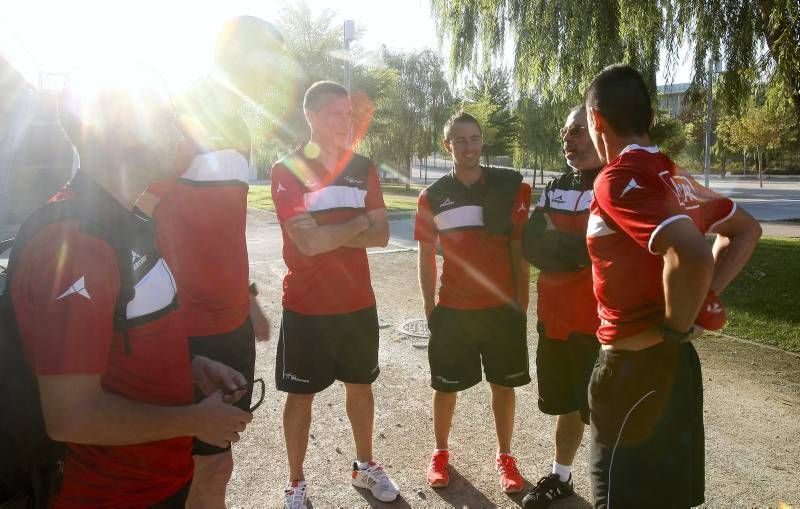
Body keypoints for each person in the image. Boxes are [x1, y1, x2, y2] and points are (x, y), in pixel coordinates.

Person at [6, 66, 253, 508]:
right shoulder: (76, 246)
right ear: (123, 131)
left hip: (157, 482)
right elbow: (71, 416)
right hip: (112, 494)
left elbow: (123, 340)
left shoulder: (128, 223)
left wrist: (192, 365)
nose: (178, 133)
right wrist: (194, 420)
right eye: (164, 118)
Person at [583, 64, 761, 508]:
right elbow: (746, 231)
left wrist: (679, 325)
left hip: (632, 370)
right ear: (647, 119)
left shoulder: (617, 177)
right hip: (678, 370)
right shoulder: (675, 176)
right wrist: (702, 302)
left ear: (597, 121)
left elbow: (691, 253)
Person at [137, 16, 285, 507]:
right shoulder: (183, 114)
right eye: (268, 59)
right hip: (186, 325)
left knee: (217, 461)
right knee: (194, 465)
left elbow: (222, 230)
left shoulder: (238, 126)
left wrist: (250, 301)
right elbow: (136, 211)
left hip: (231, 323)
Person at [270, 81, 399, 509]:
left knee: (361, 386)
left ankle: (364, 466)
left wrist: (333, 233)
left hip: (357, 303)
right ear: (311, 116)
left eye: (349, 115)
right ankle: (295, 484)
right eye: (335, 115)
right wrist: (357, 223)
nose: (346, 123)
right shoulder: (287, 169)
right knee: (300, 395)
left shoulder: (363, 166)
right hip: (306, 306)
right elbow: (307, 244)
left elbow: (382, 235)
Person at [415, 111, 532, 494]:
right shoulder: (431, 196)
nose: (469, 146)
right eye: (460, 140)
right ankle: (440, 452)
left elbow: (519, 246)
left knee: (503, 385)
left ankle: (505, 457)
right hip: (454, 309)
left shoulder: (509, 185)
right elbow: (426, 256)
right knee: (445, 388)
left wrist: (522, 298)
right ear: (447, 146)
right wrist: (430, 308)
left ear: (483, 142)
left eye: (475, 138)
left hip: (500, 310)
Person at [520, 105, 602, 508]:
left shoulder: (614, 185)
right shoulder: (554, 187)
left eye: (579, 132)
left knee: (607, 412)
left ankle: (617, 487)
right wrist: (571, 251)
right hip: (556, 318)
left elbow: (600, 250)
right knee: (567, 404)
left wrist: (563, 245)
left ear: (602, 130)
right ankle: (561, 477)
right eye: (566, 133)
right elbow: (530, 244)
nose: (569, 140)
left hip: (601, 323)